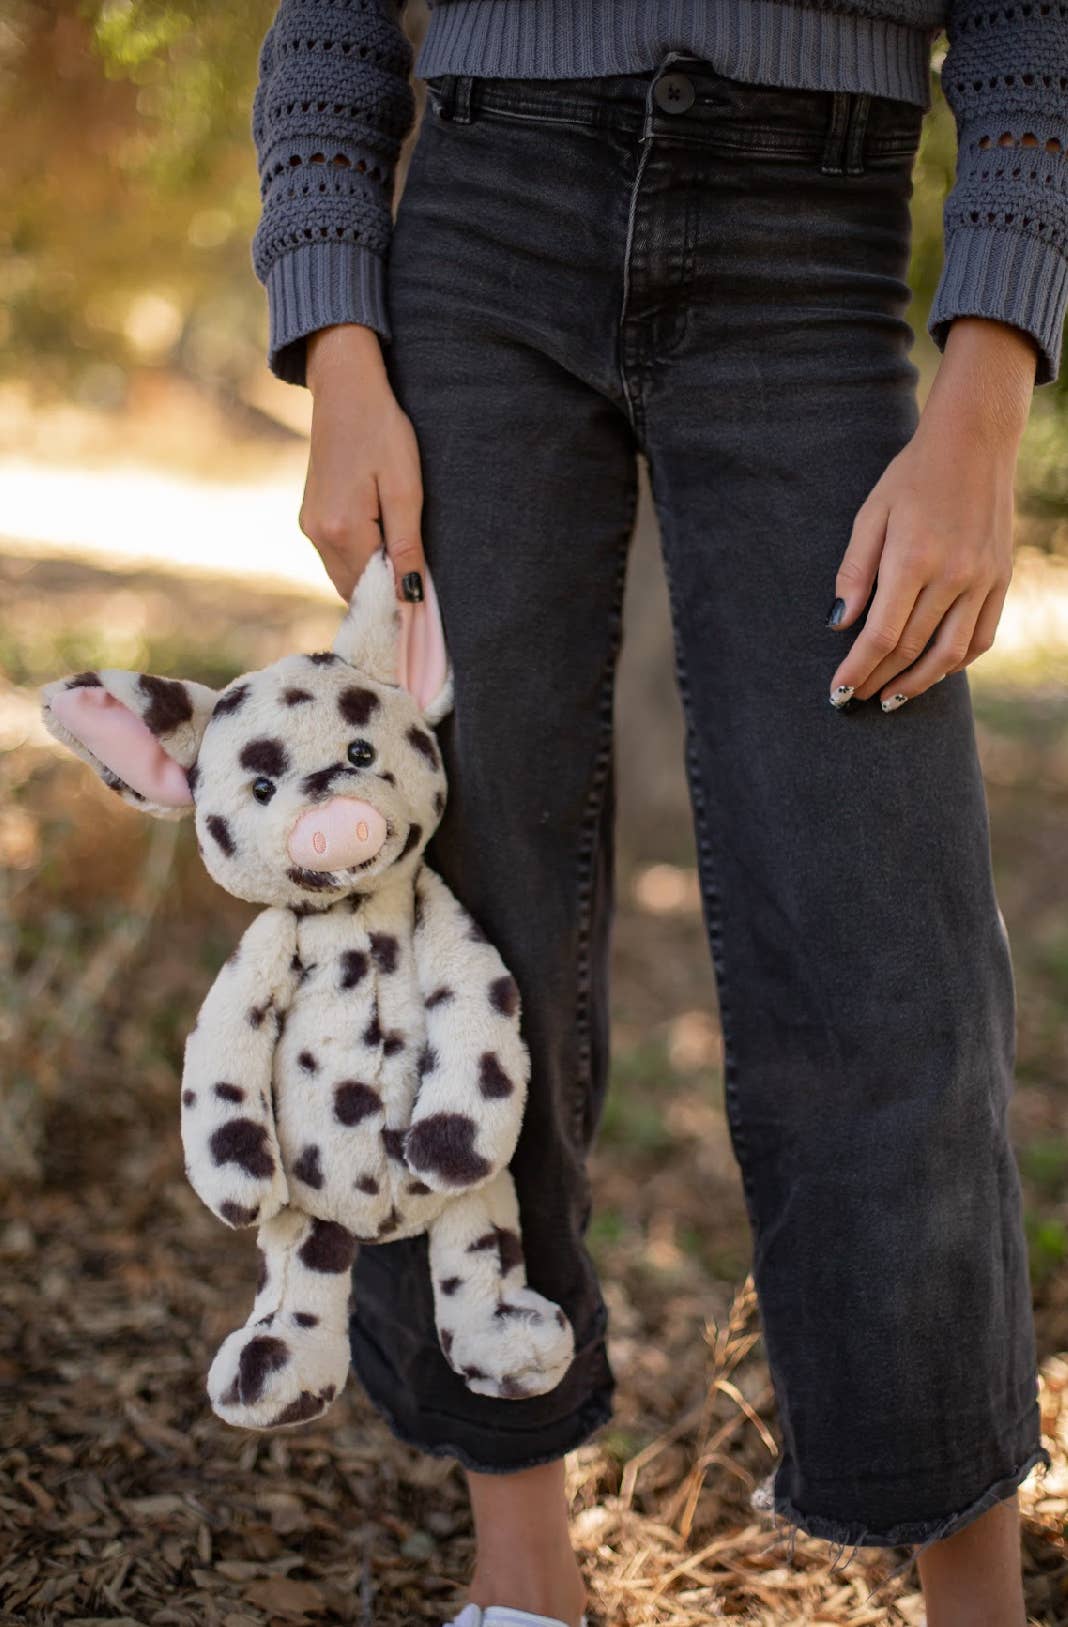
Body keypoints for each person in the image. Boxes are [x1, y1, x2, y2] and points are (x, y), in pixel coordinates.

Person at [248, 3, 1067, 1624]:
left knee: (891, 956)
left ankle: (974, 1599)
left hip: (814, 243)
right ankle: (522, 1572)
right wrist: (337, 339)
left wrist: (988, 398)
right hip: (481, 227)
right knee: (453, 920)